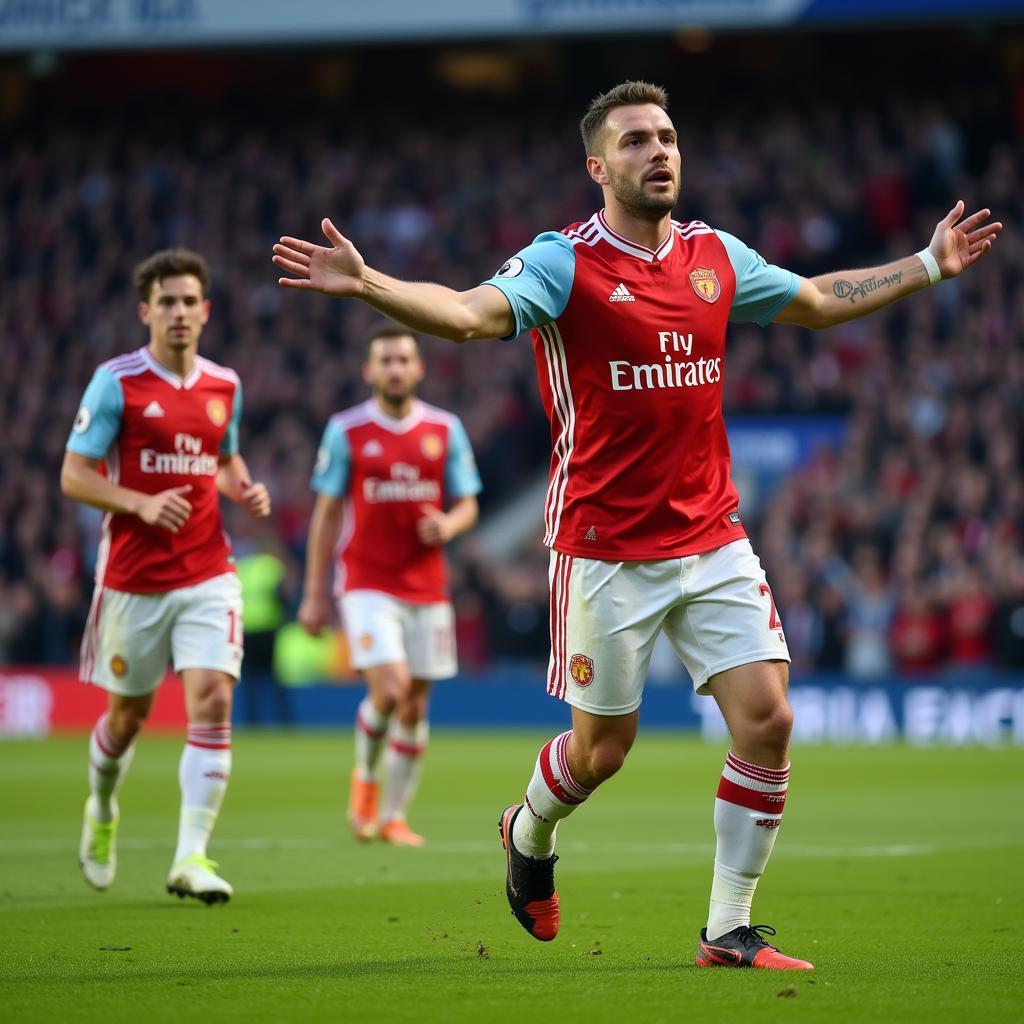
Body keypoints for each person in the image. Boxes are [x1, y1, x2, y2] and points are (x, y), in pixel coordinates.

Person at [272, 81, 1000, 968]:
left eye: (666, 137)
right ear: (597, 166)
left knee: (768, 720)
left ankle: (727, 931)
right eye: (634, 142)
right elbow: (467, 316)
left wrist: (926, 266)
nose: (658, 152)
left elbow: (813, 299)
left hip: (714, 537)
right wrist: (371, 285)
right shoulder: (561, 262)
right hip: (604, 551)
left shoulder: (714, 255)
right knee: (602, 751)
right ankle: (528, 831)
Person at [61, 248, 271, 903]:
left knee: (211, 699)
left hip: (208, 570)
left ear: (205, 312)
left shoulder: (224, 386)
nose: (179, 312)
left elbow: (223, 459)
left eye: (189, 301)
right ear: (145, 311)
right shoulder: (116, 382)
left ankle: (192, 856)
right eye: (167, 302)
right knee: (127, 720)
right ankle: (101, 808)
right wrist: (141, 502)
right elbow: (73, 475)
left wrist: (243, 487)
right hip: (131, 579)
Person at [297, 324, 481, 846]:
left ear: (419, 368)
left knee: (416, 704)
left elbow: (467, 501)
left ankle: (395, 816)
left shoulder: (445, 429)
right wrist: (314, 592)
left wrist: (449, 525)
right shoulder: (347, 430)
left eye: (404, 359)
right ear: (370, 370)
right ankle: (365, 781)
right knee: (392, 689)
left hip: (427, 586)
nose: (396, 368)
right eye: (386, 360)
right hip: (366, 580)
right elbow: (327, 512)